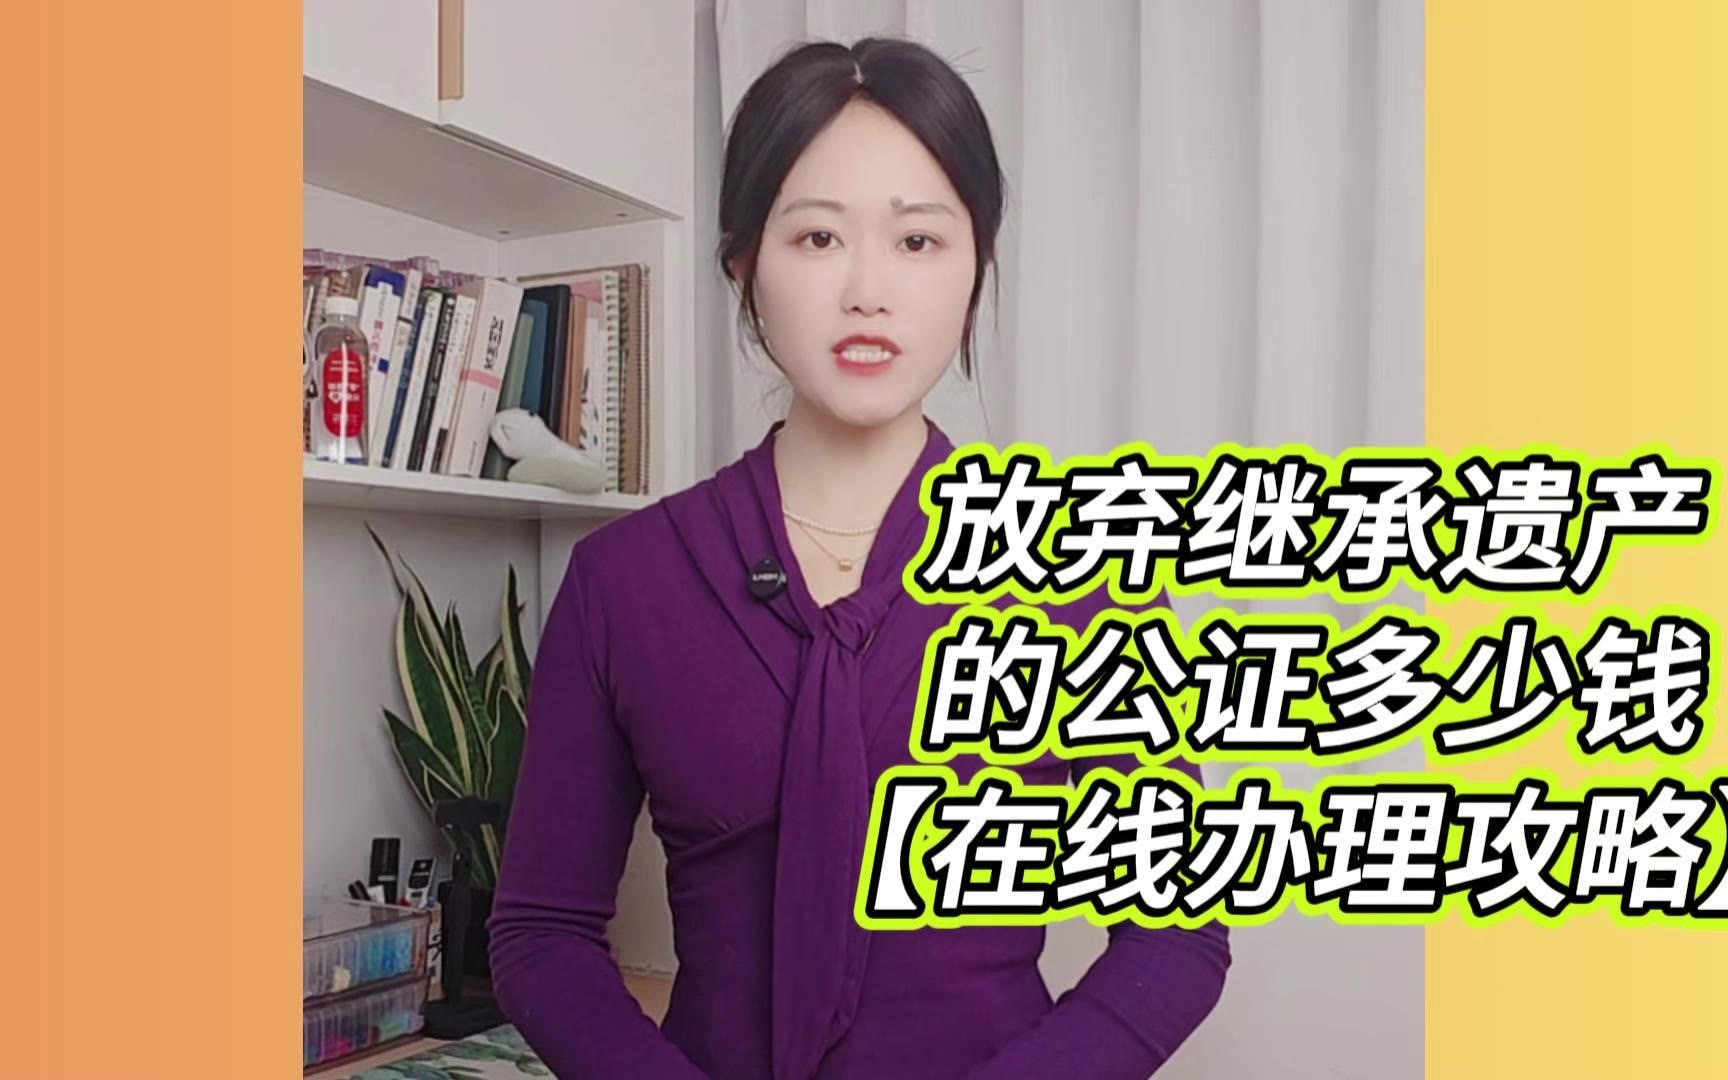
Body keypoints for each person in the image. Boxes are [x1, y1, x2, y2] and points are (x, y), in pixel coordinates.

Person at [487, 36, 1230, 1079]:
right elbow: (541, 934)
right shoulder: (625, 583)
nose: (869, 290)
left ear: (975, 267)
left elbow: (1177, 938)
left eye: (919, 240)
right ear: (745, 262)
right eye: (818, 237)